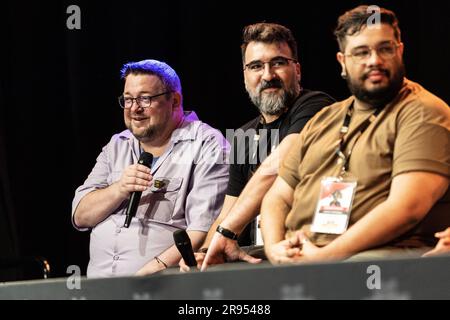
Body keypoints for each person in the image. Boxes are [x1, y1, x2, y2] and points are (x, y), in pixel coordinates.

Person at [260, 5, 450, 265]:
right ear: (343, 62)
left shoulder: (423, 112)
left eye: (385, 48)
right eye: (361, 52)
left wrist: (325, 257)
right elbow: (277, 196)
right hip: (303, 258)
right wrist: (274, 247)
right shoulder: (324, 119)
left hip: (377, 260)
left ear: (400, 51)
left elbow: (407, 208)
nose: (374, 60)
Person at [180, 23, 334, 271]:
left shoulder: (316, 106)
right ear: (245, 76)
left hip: (307, 249)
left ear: (297, 70)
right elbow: (227, 212)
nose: (267, 75)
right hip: (257, 257)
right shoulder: (242, 135)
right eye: (256, 66)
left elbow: (277, 167)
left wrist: (227, 232)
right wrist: (206, 254)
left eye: (278, 63)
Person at [72, 59, 230, 277]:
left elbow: (203, 230)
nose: (134, 109)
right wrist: (119, 189)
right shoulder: (117, 144)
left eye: (145, 99)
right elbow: (81, 216)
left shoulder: (207, 144)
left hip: (163, 287)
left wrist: (153, 269)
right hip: (99, 289)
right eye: (128, 100)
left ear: (174, 101)